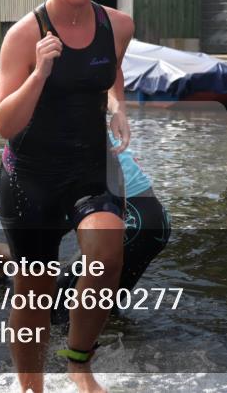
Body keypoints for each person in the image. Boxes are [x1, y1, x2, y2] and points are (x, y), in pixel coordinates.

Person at [0, 0, 134, 393]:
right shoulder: (21, 36)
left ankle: (78, 363)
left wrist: (118, 106)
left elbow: (111, 70)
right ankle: (32, 387)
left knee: (106, 256)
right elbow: (3, 123)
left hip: (88, 170)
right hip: (28, 180)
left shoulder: (118, 25)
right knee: (35, 294)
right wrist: (40, 72)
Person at [53, 132, 170, 324]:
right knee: (102, 310)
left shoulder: (59, 136)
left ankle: (70, 352)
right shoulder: (83, 122)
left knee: (60, 304)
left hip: (133, 223)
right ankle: (122, 345)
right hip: (153, 221)